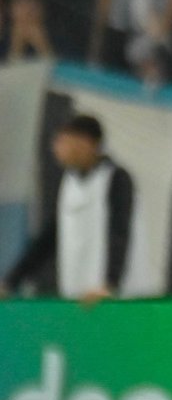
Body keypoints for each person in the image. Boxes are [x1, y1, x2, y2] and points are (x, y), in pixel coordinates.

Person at [0, 114, 132, 307]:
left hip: (115, 299)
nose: (57, 148)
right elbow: (48, 239)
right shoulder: (68, 182)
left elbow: (119, 233)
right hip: (79, 298)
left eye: (64, 140)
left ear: (86, 142)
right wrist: (10, 282)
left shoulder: (117, 179)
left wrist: (110, 284)